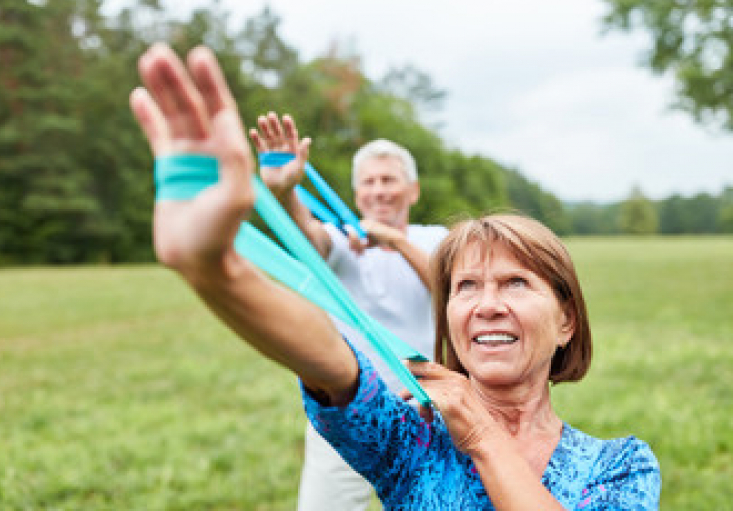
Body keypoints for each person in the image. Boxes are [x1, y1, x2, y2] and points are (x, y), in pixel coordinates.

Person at [130, 43, 661, 510]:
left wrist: (480, 433)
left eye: (516, 283)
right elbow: (334, 360)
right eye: (466, 287)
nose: (487, 304)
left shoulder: (622, 467)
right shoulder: (410, 442)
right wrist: (214, 270)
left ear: (567, 319)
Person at [249, 113, 448, 510]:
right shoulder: (342, 241)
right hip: (347, 410)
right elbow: (309, 237)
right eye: (369, 182)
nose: (379, 191)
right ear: (357, 194)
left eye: (388, 180)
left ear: (413, 190)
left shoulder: (436, 239)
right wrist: (286, 192)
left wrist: (392, 238)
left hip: (426, 409)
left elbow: (450, 286)